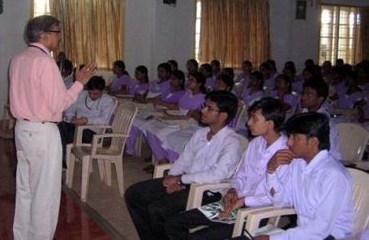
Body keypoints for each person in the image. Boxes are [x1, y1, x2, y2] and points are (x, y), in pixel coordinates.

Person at [9, 15, 96, 240]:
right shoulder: (44, 61)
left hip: (22, 129)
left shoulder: (18, 58)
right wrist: (80, 83)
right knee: (45, 192)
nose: (59, 37)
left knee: (25, 188)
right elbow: (59, 103)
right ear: (44, 35)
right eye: (57, 32)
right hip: (42, 132)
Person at [164, 97, 288, 240]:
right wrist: (233, 189)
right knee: (173, 223)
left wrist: (244, 200)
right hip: (232, 203)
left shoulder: (285, 153)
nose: (248, 123)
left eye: (254, 119)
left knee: (197, 237)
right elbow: (240, 173)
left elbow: (278, 196)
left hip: (255, 212)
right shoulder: (255, 143)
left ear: (270, 123)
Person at [125, 91, 242, 240]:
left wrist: (181, 179)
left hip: (208, 192)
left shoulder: (231, 142)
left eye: (209, 108)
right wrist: (172, 177)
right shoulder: (201, 134)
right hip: (185, 181)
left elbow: (217, 175)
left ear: (223, 115)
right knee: (134, 193)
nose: (203, 110)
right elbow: (184, 160)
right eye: (204, 106)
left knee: (158, 209)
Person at [253, 112, 354, 240]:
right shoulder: (298, 164)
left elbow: (320, 229)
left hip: (329, 236)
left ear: (313, 142)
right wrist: (271, 170)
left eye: (295, 138)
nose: (288, 143)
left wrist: (273, 239)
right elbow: (281, 201)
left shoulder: (333, 175)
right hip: (303, 232)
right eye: (289, 137)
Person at [59, 76, 115, 166]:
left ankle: (60, 161)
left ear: (102, 91)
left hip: (92, 133)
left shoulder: (107, 101)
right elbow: (69, 110)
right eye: (90, 93)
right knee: (59, 127)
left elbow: (104, 120)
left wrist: (86, 120)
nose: (92, 96)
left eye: (95, 94)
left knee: (60, 135)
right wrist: (72, 118)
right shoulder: (81, 95)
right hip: (77, 128)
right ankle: (61, 160)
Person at [300, 79, 341, 160]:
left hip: (326, 158)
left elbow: (322, 148)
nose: (303, 97)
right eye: (303, 93)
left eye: (308, 95)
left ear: (320, 99)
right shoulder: (304, 112)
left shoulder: (322, 119)